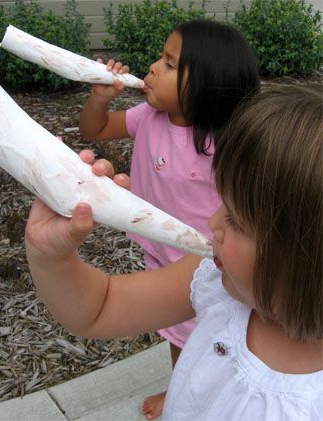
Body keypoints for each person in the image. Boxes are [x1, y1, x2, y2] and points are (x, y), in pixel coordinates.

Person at [26, 84, 322, 419]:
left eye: (236, 221)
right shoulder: (218, 280)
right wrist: (50, 255)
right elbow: (100, 307)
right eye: (222, 203)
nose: (213, 222)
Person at [79, 19, 260, 419]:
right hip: (160, 251)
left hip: (206, 263)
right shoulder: (147, 116)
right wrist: (100, 98)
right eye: (161, 57)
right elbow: (93, 129)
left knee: (210, 333)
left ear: (209, 83)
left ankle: (200, 396)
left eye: (171, 63)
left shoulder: (224, 141)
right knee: (176, 333)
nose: (154, 67)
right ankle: (182, 389)